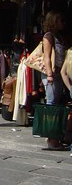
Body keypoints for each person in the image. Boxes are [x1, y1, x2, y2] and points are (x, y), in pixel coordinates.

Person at [41, 10, 67, 149]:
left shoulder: (59, 36)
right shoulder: (49, 36)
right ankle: (51, 139)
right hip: (52, 75)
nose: (63, 23)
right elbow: (47, 56)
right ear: (53, 22)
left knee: (56, 103)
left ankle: (54, 136)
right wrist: (50, 74)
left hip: (59, 74)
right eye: (60, 20)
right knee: (52, 104)